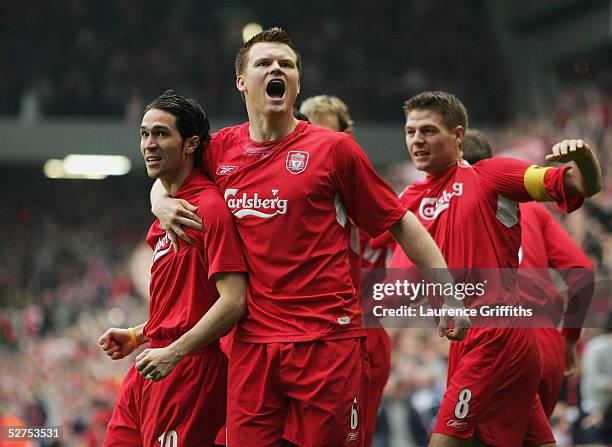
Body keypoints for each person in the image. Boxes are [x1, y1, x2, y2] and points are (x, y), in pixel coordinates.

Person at [151, 29, 469, 447]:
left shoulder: (333, 150)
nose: (277, 69)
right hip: (251, 347)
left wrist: (450, 294)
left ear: (297, 83)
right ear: (242, 81)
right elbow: (165, 169)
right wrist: (160, 200)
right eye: (264, 63)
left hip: (326, 343)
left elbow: (401, 222)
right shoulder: (217, 150)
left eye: (288, 64)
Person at [379, 91, 600, 446]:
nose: (417, 139)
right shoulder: (412, 200)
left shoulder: (492, 176)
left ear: (458, 135)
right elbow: (365, 239)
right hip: (467, 339)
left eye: (429, 130)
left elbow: (578, 185)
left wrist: (586, 158)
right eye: (410, 131)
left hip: (497, 331)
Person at [99, 90, 248, 447]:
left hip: (189, 370)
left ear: (191, 144)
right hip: (151, 365)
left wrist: (175, 352)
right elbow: (186, 303)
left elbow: (234, 301)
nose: (149, 144)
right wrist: (139, 334)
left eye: (161, 134)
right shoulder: (167, 211)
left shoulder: (208, 210)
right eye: (144, 134)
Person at [461, 128, 595, 419]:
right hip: (546, 345)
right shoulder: (533, 211)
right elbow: (582, 271)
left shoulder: (451, 208)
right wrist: (569, 339)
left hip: (492, 345)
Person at [299, 94, 392, 447]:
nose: (314, 144)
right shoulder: (293, 195)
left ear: (348, 135)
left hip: (362, 333)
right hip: (306, 334)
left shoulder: (371, 195)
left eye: (324, 133)